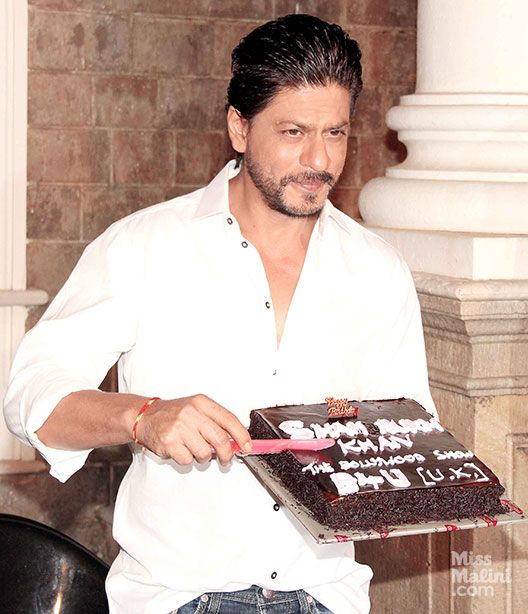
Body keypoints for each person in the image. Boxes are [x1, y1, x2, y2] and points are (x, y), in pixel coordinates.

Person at [4, 14, 436, 614]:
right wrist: (143, 417)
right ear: (238, 126)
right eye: (292, 132)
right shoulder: (141, 247)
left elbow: (407, 434)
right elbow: (31, 396)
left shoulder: (378, 269)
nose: (318, 160)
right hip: (180, 599)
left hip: (325, 597)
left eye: (335, 133)